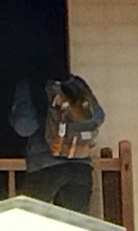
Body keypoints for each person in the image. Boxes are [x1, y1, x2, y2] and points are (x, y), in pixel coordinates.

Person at [22, 73, 105, 213]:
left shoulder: (30, 84)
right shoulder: (76, 83)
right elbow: (98, 117)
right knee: (76, 225)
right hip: (80, 165)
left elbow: (23, 126)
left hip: (44, 166)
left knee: (31, 223)